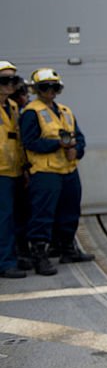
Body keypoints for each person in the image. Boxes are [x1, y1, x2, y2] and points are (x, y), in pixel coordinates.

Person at [19, 68, 93, 276]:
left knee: (70, 210)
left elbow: (79, 137)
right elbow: (30, 142)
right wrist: (57, 144)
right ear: (36, 90)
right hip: (45, 172)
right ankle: (40, 256)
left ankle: (68, 248)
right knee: (43, 214)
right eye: (45, 87)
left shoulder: (65, 111)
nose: (50, 91)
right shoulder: (31, 112)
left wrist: (76, 150)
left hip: (68, 170)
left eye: (54, 87)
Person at [0, 61, 27, 278]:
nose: (10, 85)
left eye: (13, 80)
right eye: (5, 80)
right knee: (4, 217)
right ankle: (5, 262)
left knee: (16, 217)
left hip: (14, 170)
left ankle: (14, 256)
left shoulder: (13, 107)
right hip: (1, 172)